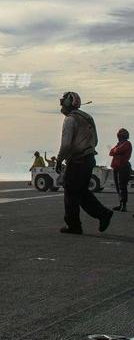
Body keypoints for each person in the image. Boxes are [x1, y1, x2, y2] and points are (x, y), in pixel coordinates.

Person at [56, 91, 112, 234]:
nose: (61, 104)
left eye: (63, 101)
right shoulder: (87, 118)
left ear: (69, 102)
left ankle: (74, 225)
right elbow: (96, 141)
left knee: (70, 192)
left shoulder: (70, 119)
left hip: (77, 160)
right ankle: (103, 214)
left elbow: (66, 145)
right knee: (80, 192)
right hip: (88, 158)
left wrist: (59, 159)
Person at [109, 128, 131, 212]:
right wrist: (115, 150)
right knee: (118, 187)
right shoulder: (120, 144)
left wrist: (115, 150)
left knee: (122, 186)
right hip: (117, 167)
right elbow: (111, 152)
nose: (118, 136)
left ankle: (124, 205)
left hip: (123, 167)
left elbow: (117, 150)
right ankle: (121, 204)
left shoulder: (127, 143)